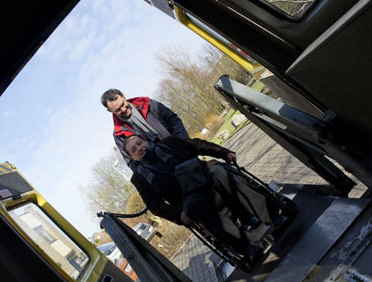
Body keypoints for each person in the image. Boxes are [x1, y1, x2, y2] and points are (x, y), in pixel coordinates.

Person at [124, 134, 279, 258]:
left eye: (139, 143)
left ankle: (272, 215)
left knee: (218, 172)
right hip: (187, 198)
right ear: (132, 158)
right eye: (134, 149)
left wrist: (223, 153)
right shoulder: (139, 178)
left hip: (205, 176)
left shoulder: (169, 143)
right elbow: (154, 205)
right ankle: (248, 245)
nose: (139, 148)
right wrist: (179, 215)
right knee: (193, 207)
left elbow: (197, 145)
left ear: (145, 140)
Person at [101, 89, 189, 168]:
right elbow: (131, 161)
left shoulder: (148, 103)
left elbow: (173, 120)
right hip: (161, 168)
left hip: (181, 149)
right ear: (110, 111)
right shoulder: (118, 134)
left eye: (123, 104)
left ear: (123, 96)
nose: (123, 109)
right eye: (118, 110)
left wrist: (184, 142)